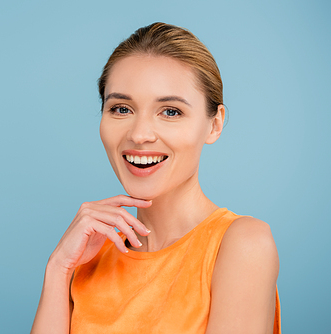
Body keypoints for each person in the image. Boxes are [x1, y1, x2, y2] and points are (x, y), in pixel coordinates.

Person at [31, 22, 280, 334]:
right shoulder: (88, 254)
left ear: (214, 125)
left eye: (171, 112)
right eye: (121, 109)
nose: (139, 134)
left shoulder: (242, 244)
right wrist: (58, 269)